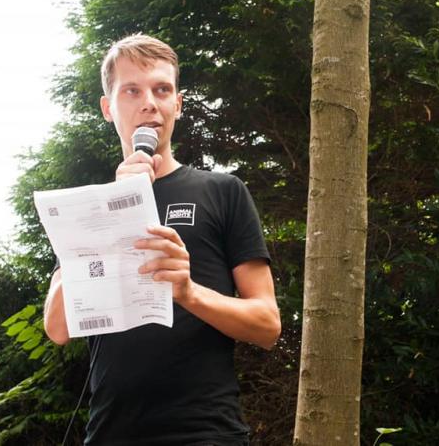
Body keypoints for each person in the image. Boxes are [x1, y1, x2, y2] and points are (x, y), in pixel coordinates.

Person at [43, 34, 281, 445]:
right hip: (110, 433)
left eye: (162, 89)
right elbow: (59, 328)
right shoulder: (89, 209)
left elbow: (267, 325)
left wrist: (188, 292)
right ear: (108, 108)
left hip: (207, 434)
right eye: (131, 90)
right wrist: (112, 207)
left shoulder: (223, 192)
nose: (149, 103)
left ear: (178, 104)